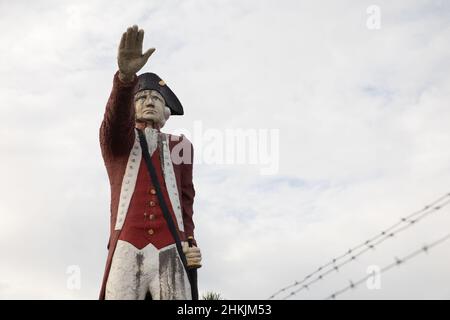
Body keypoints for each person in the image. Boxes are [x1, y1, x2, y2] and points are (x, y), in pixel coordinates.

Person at [99, 25, 202, 300]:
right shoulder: (121, 141)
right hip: (127, 244)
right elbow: (113, 125)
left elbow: (186, 200)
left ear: (166, 111)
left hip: (171, 247)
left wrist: (190, 241)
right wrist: (125, 78)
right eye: (142, 97)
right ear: (131, 107)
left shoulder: (181, 146)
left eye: (155, 98)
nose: (149, 102)